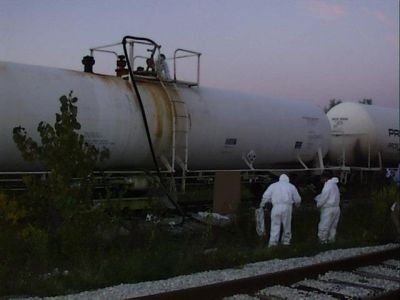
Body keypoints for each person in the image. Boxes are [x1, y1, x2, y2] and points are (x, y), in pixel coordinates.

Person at [259, 174, 301, 247]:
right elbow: (297, 199)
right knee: (287, 225)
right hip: (287, 207)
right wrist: (297, 206)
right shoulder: (291, 186)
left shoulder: (273, 186)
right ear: (287, 179)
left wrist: (262, 205)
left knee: (275, 225)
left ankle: (273, 243)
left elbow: (266, 196)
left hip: (276, 207)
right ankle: (286, 242)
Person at [315, 172, 340, 244]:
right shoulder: (334, 185)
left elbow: (324, 198)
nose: (320, 180)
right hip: (336, 208)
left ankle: (322, 241)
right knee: (333, 226)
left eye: (321, 178)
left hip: (328, 209)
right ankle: (331, 240)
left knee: (324, 226)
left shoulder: (327, 186)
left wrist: (318, 204)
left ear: (325, 178)